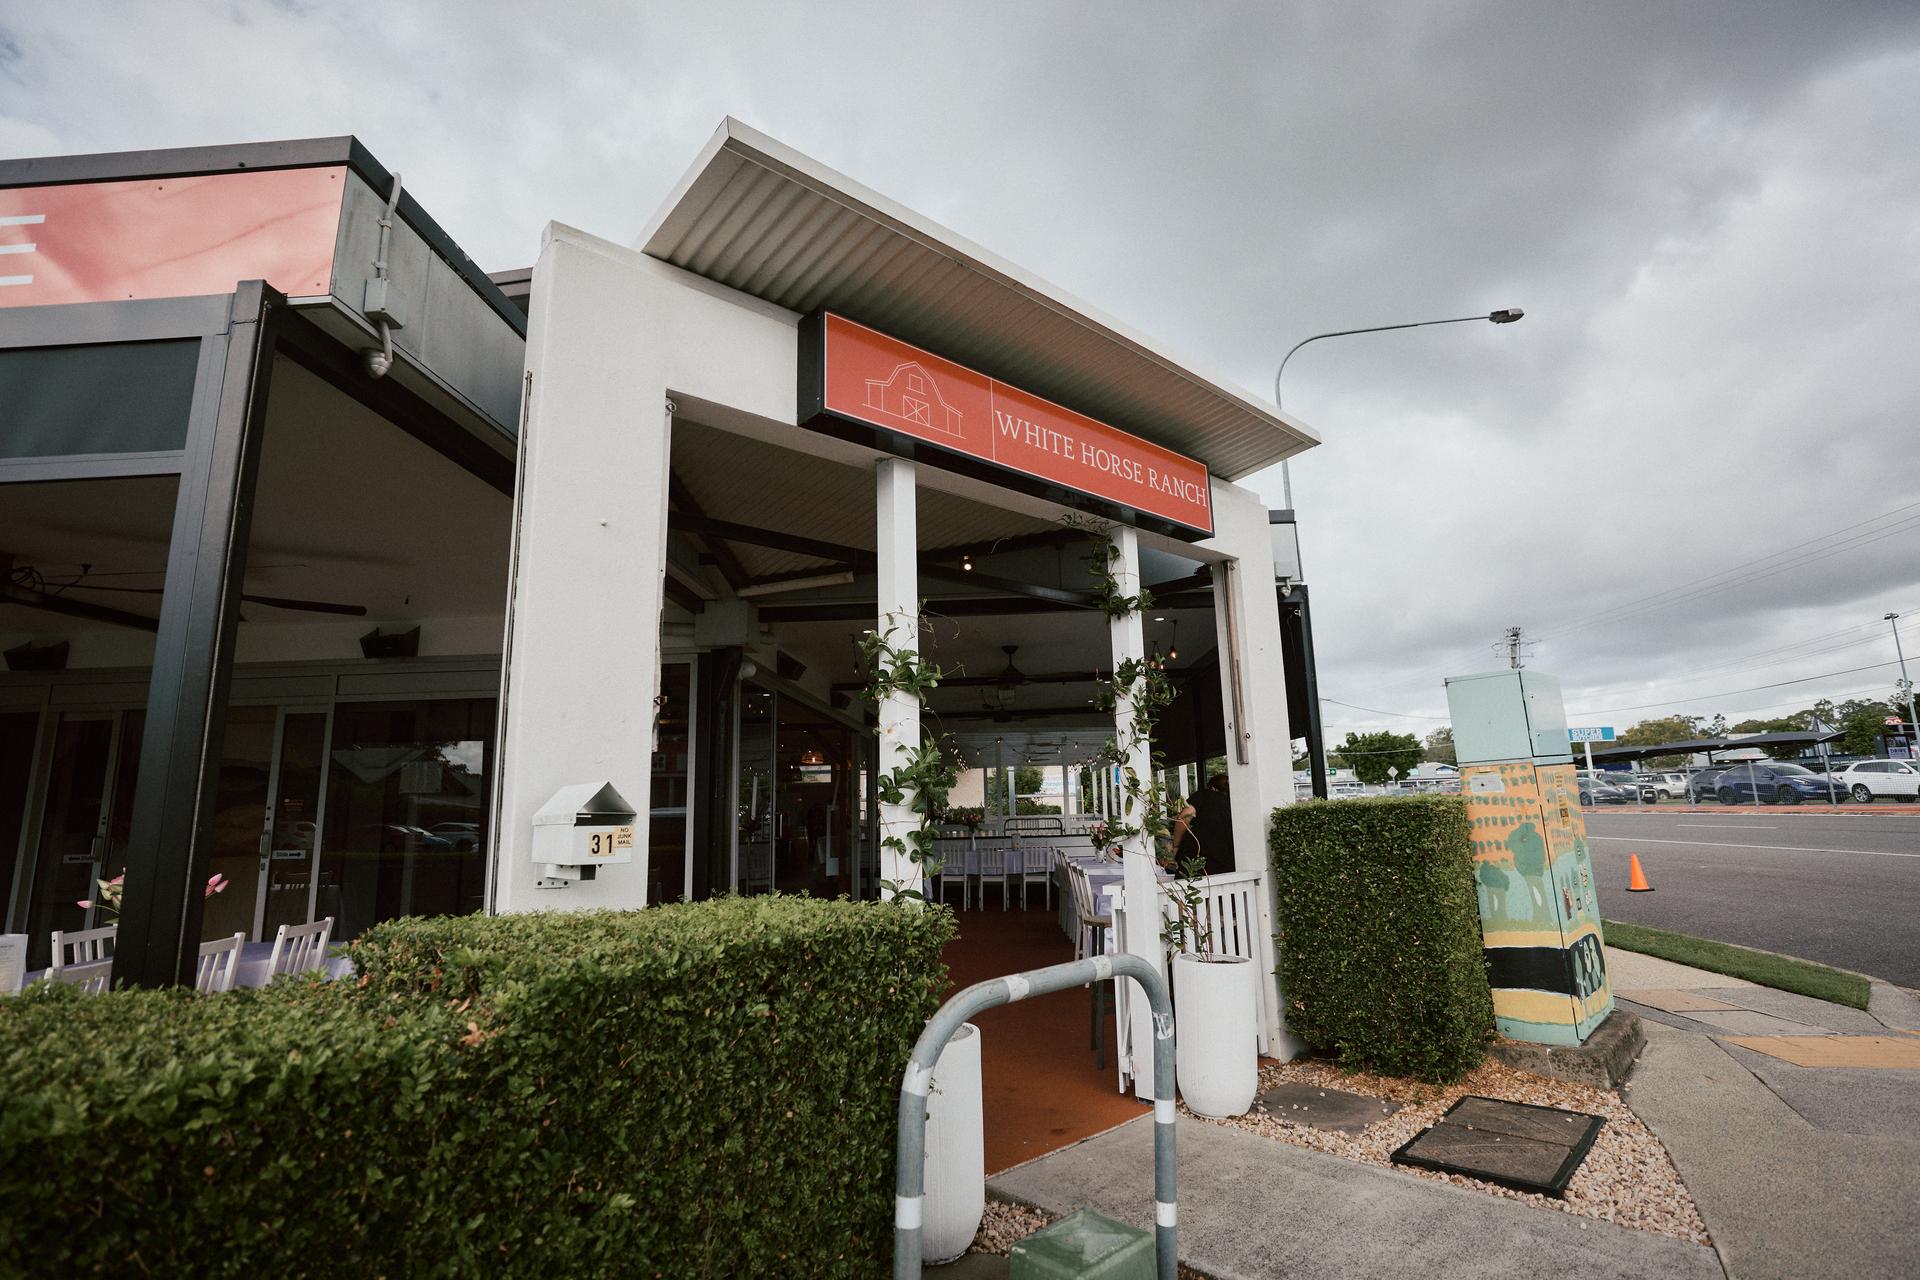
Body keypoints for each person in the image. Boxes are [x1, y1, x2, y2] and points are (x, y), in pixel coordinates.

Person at [1171, 772, 1235, 877]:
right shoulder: (1234, 803)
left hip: (1196, 859)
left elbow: (1186, 814)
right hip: (1226, 865)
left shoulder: (1205, 794)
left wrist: (1176, 845)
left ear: (1212, 788)